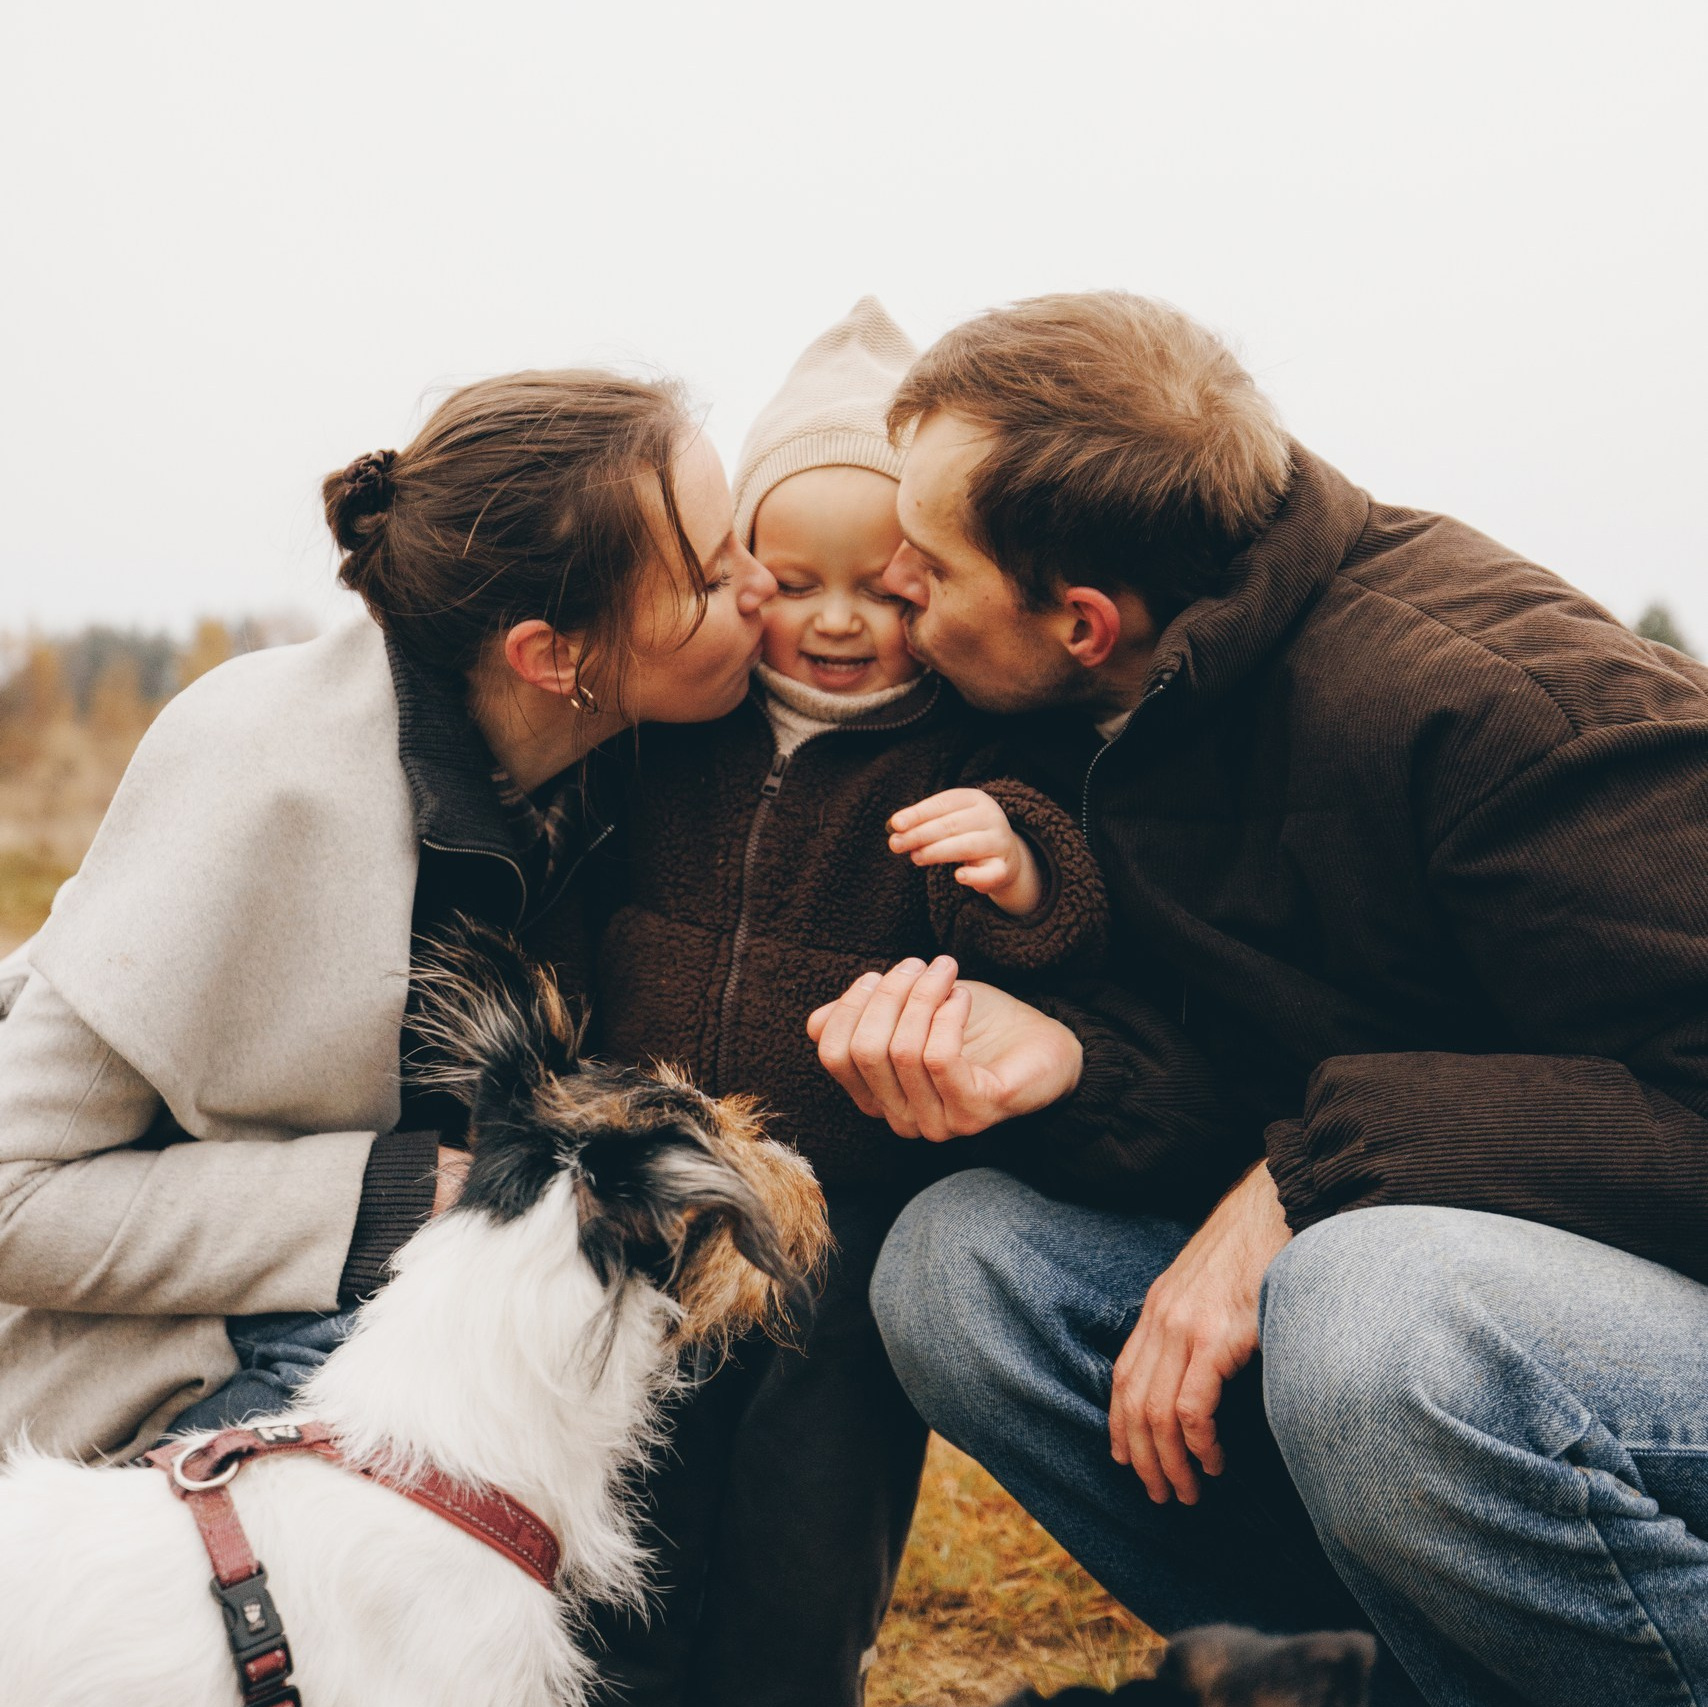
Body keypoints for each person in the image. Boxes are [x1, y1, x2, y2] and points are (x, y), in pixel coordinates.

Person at [808, 292, 1708, 1706]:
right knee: (962, 1261)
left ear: (1084, 618)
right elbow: (1246, 1072)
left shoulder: (1504, 706)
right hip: (1456, 1262)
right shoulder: (1083, 712)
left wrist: (1305, 1179)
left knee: (1372, 1307)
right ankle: (1375, 1675)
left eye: (924, 559)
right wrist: (1069, 1065)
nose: (892, 580)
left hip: (1618, 1323)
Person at [0, 368, 777, 1463]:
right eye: (709, 572)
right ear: (553, 658)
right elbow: (10, 1197)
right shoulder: (260, 777)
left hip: (409, 1329)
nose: (766, 585)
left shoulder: (625, 762)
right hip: (175, 1389)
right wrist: (394, 1199)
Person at [585, 298, 1109, 1707]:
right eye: (795, 576)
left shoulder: (971, 752)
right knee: (629, 1488)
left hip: (845, 1215)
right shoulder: (681, 725)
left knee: (809, 1517)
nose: (836, 618)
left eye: (885, 589)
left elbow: (1063, 904)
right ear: (739, 564)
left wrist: (1016, 866)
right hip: (655, 1199)